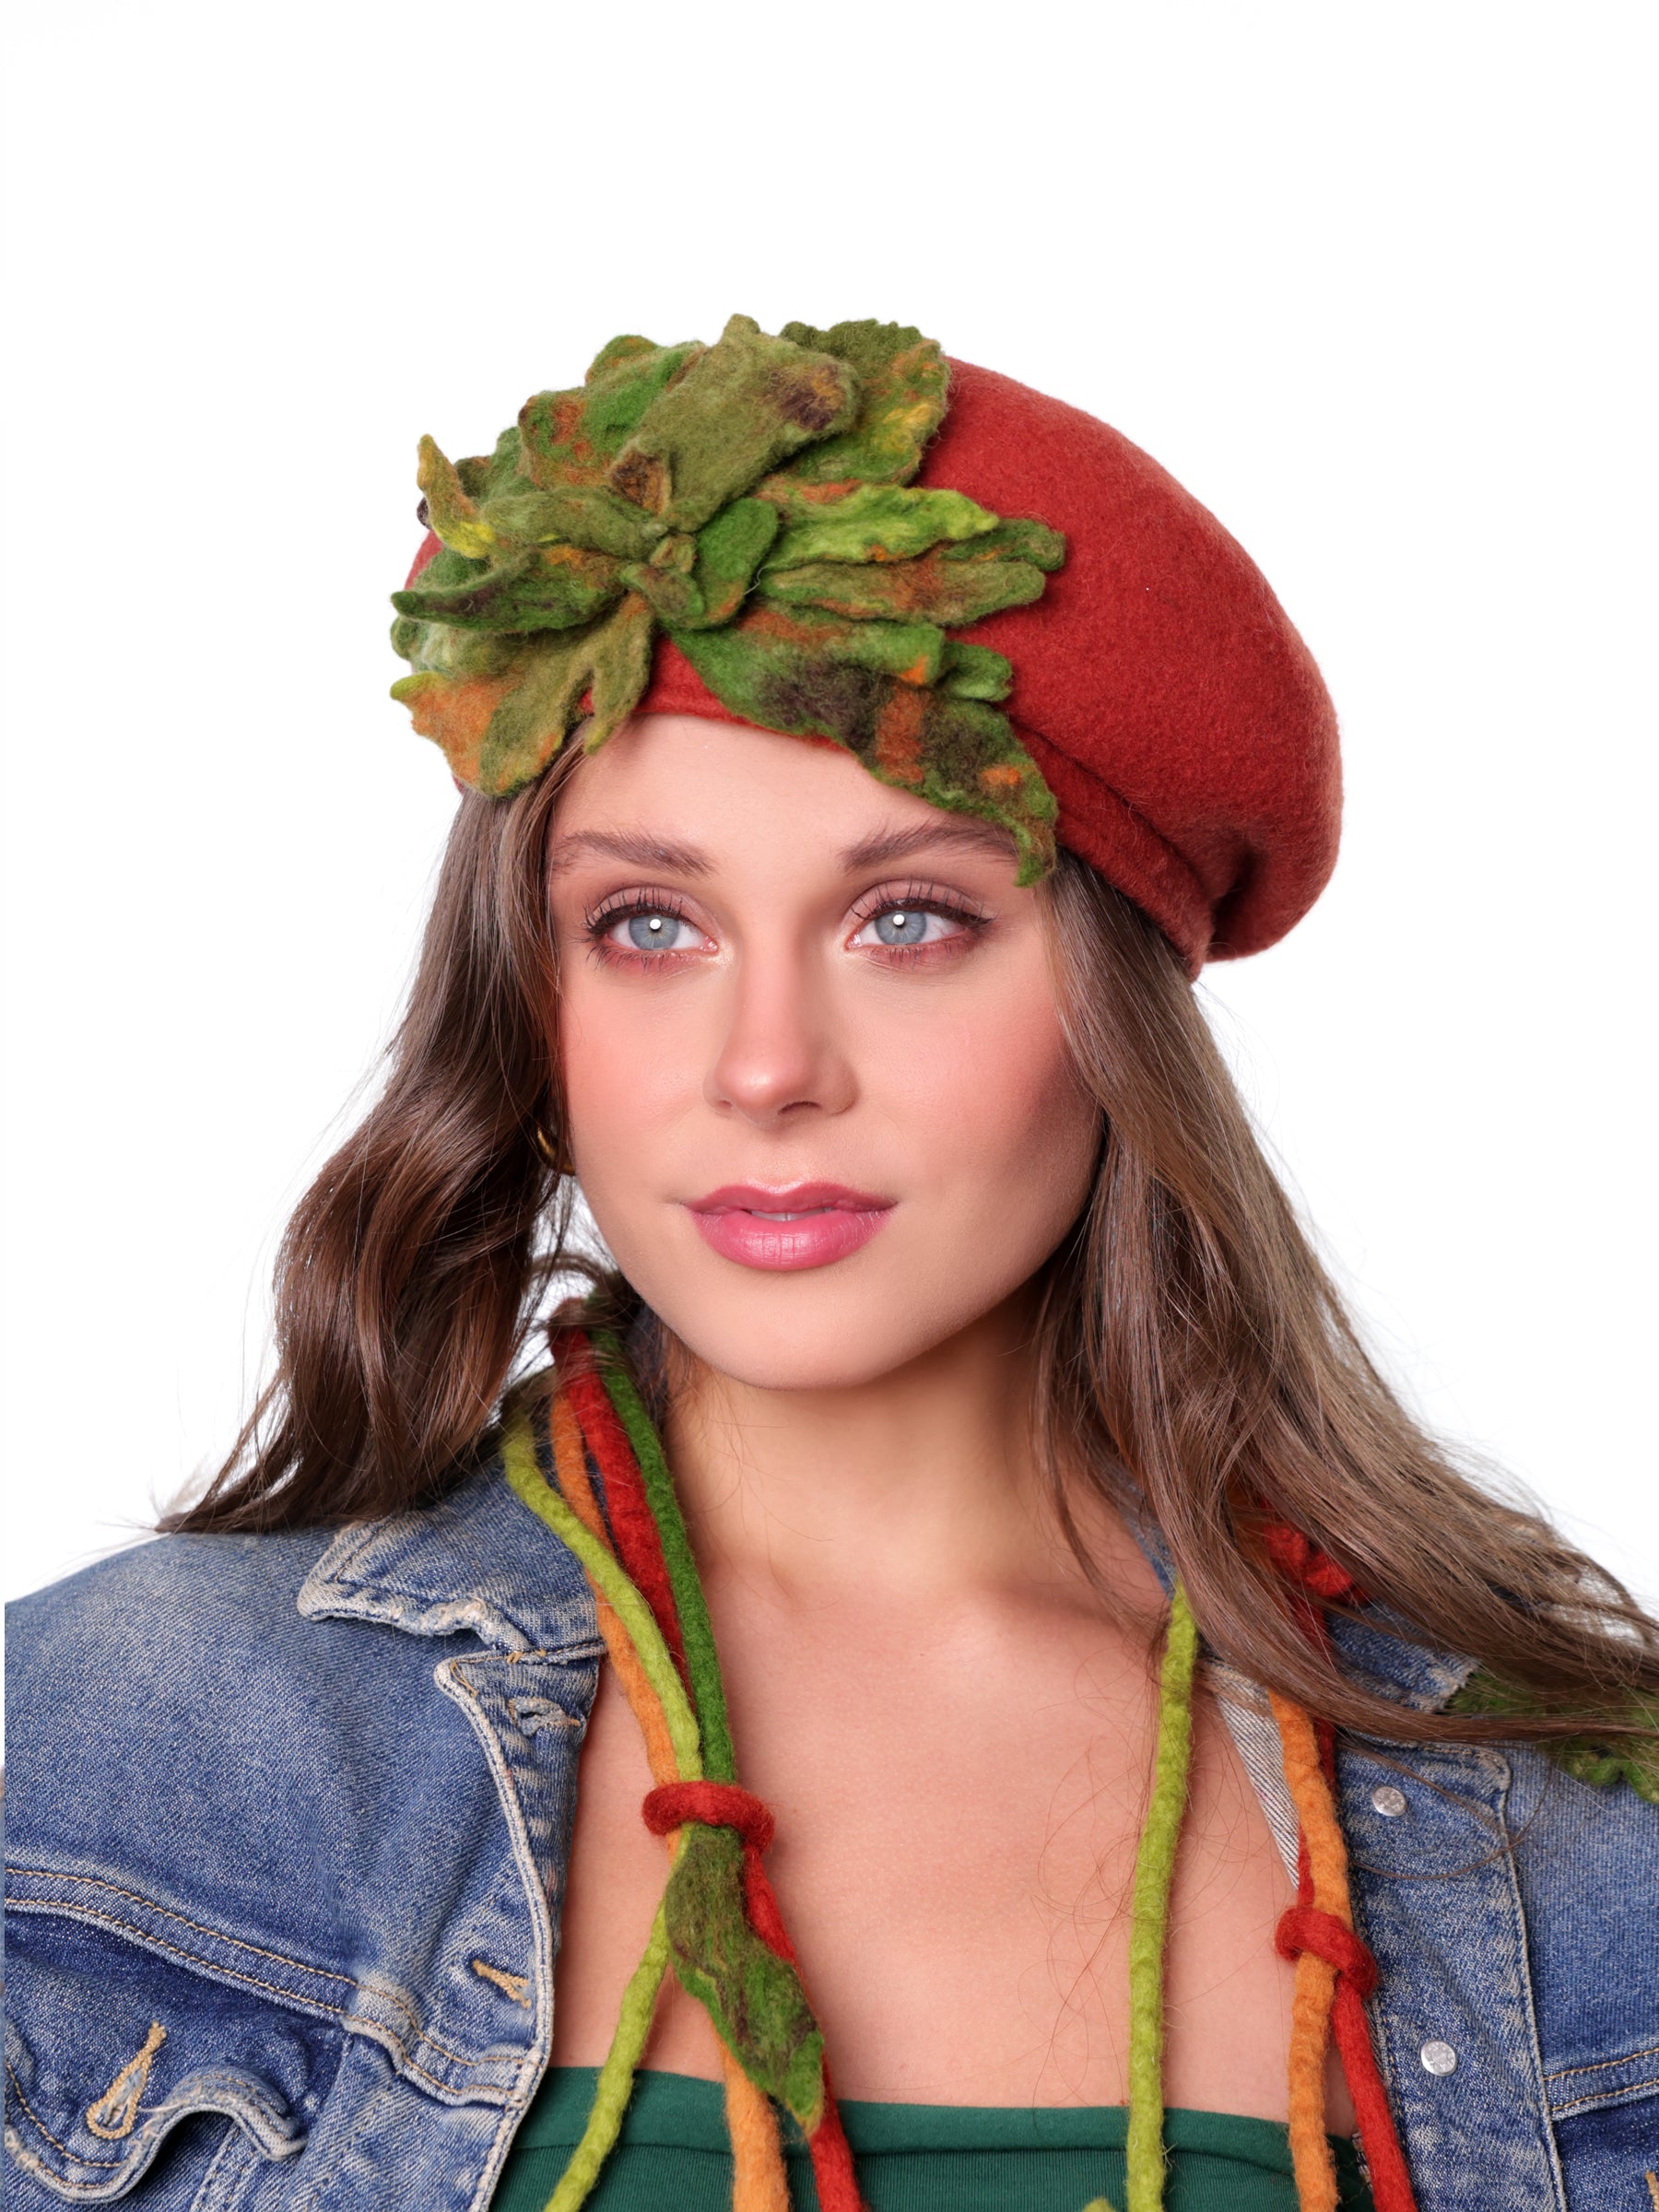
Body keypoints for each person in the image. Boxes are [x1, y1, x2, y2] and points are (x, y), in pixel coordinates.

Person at [6, 317, 1655, 2212]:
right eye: (648, 922)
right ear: (525, 1004)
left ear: (1117, 1010)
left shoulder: (1573, 1838)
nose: (767, 1065)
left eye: (910, 920)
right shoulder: (104, 1760)